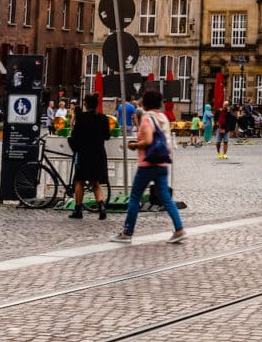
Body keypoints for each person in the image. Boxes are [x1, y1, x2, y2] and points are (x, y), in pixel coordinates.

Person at [113, 89, 187, 244]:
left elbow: (147, 140)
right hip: (162, 163)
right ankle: (179, 229)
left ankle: (127, 232)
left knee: (134, 197)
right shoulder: (163, 118)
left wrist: (134, 145)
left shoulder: (147, 118)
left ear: (146, 102)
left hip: (147, 163)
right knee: (166, 198)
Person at [67, 93, 110, 220]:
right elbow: (107, 136)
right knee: (95, 182)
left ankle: (78, 209)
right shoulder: (103, 118)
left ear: (85, 104)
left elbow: (75, 136)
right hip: (98, 153)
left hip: (84, 154)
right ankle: (101, 207)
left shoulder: (81, 118)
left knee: (79, 181)